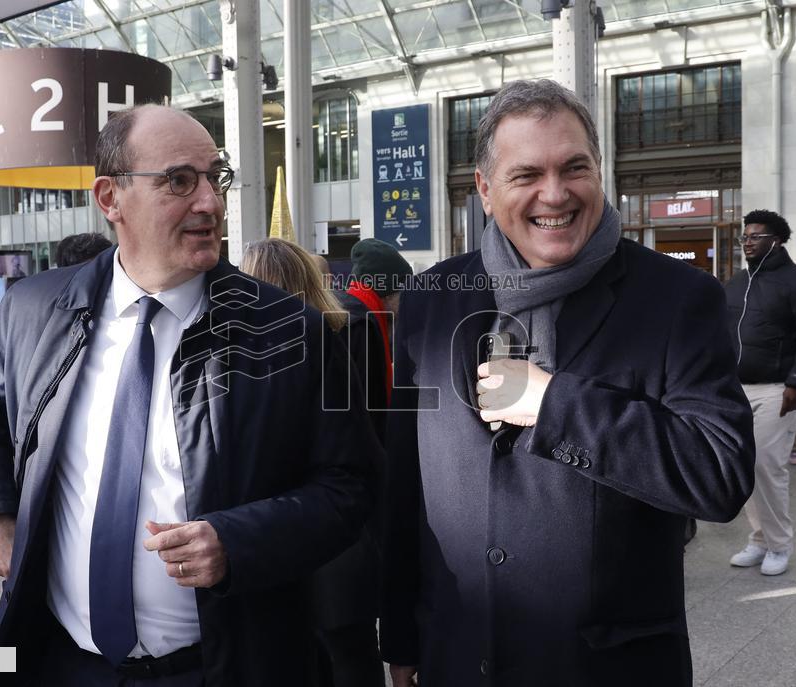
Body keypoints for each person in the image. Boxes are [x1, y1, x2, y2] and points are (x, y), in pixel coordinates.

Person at [0, 105, 376, 686]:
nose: (210, 202)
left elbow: (350, 485)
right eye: (179, 180)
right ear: (110, 198)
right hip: (65, 664)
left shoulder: (289, 331)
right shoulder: (35, 311)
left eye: (216, 178)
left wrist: (239, 542)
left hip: (222, 667)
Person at [380, 79, 755, 687]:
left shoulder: (678, 298)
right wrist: (402, 636)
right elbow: (406, 484)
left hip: (606, 665)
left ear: (599, 172)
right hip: (459, 655)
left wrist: (553, 404)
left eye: (574, 168)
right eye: (526, 174)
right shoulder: (431, 299)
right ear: (484, 189)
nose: (555, 194)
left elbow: (719, 475)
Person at [241, 238, 386, 687]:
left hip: (273, 527)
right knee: (351, 655)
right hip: (346, 524)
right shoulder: (353, 326)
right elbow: (376, 425)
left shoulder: (244, 347)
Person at [724, 209, 796, 575]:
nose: (748, 243)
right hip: (736, 388)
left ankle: (779, 544)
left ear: (777, 241)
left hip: (778, 388)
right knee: (745, 465)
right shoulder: (737, 283)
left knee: (767, 464)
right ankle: (759, 539)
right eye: (745, 237)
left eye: (756, 237)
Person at [345, 238, 412, 402]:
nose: (407, 300)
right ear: (387, 293)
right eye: (404, 292)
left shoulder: (355, 314)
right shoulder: (361, 327)